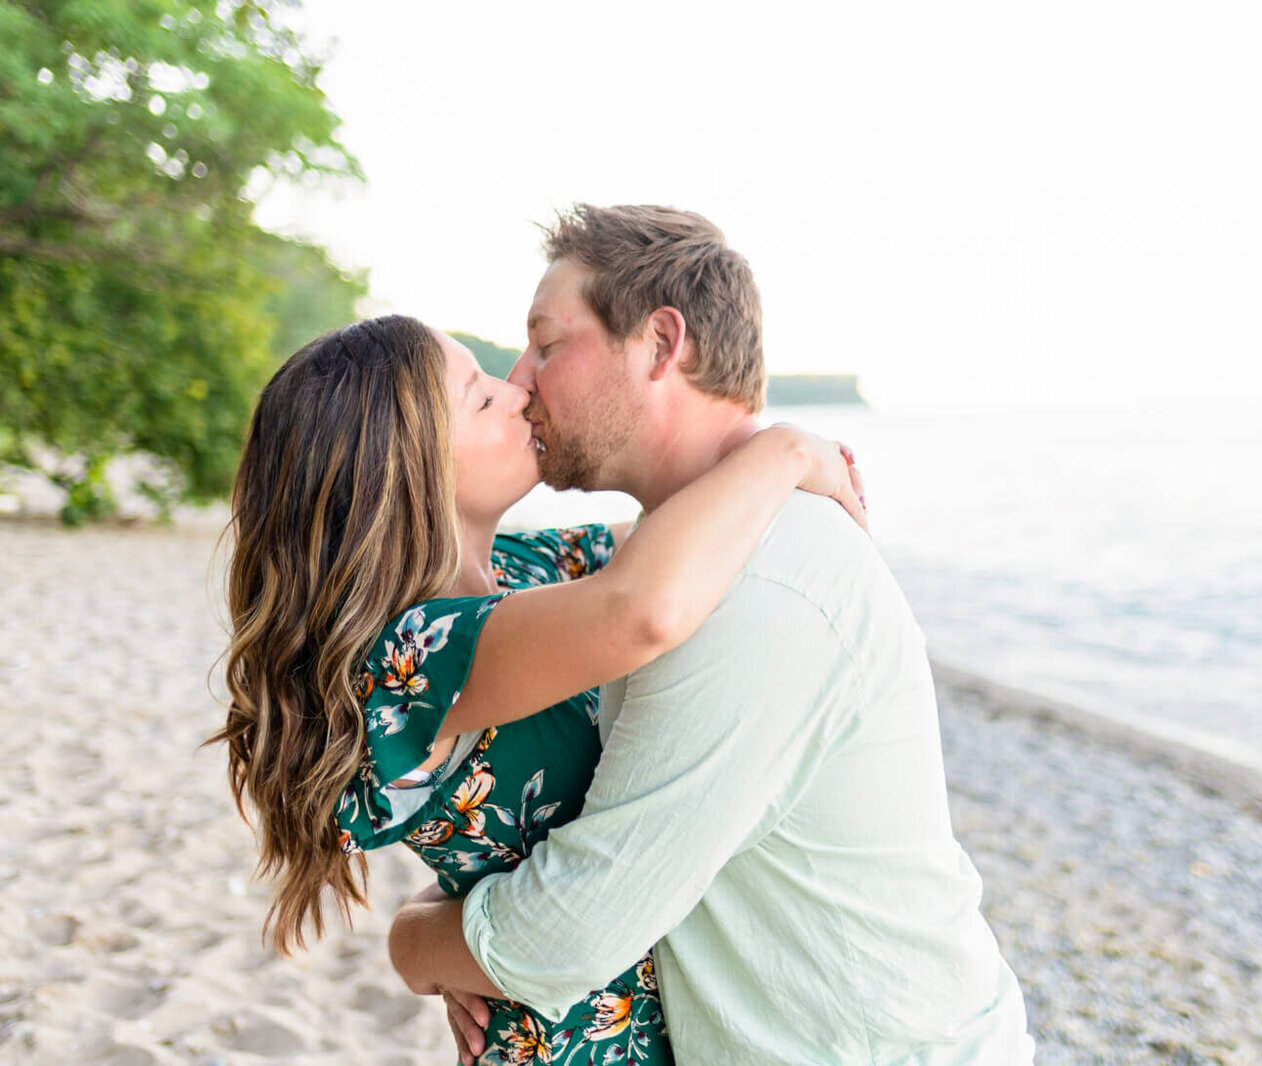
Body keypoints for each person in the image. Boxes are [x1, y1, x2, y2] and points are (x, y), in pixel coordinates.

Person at [389, 205, 1036, 1064]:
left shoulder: (754, 582)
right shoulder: (667, 561)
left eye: (548, 343)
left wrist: (418, 947)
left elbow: (570, 931)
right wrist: (783, 453)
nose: (524, 378)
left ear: (662, 344)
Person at [212, 313, 866, 1065]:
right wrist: (782, 451)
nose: (518, 387)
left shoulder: (525, 569)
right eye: (480, 398)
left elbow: (670, 542)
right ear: (407, 467)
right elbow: (644, 609)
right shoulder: (406, 657)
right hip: (570, 1044)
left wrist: (429, 932)